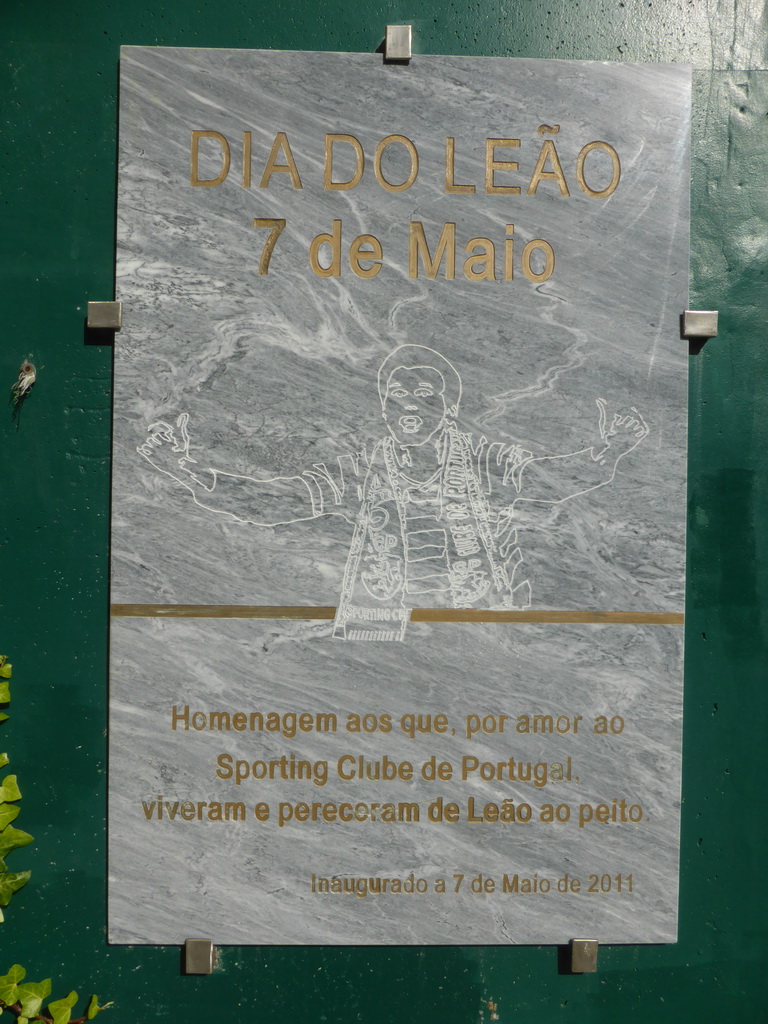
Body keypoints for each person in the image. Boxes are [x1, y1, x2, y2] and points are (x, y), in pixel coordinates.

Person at [138, 344, 648, 640]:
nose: (408, 407)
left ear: (449, 408)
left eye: (425, 397)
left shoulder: (483, 461)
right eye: (396, 396)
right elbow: (280, 501)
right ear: (382, 408)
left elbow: (550, 481)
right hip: (379, 640)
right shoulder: (364, 467)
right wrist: (190, 474)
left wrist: (609, 451)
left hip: (480, 640)